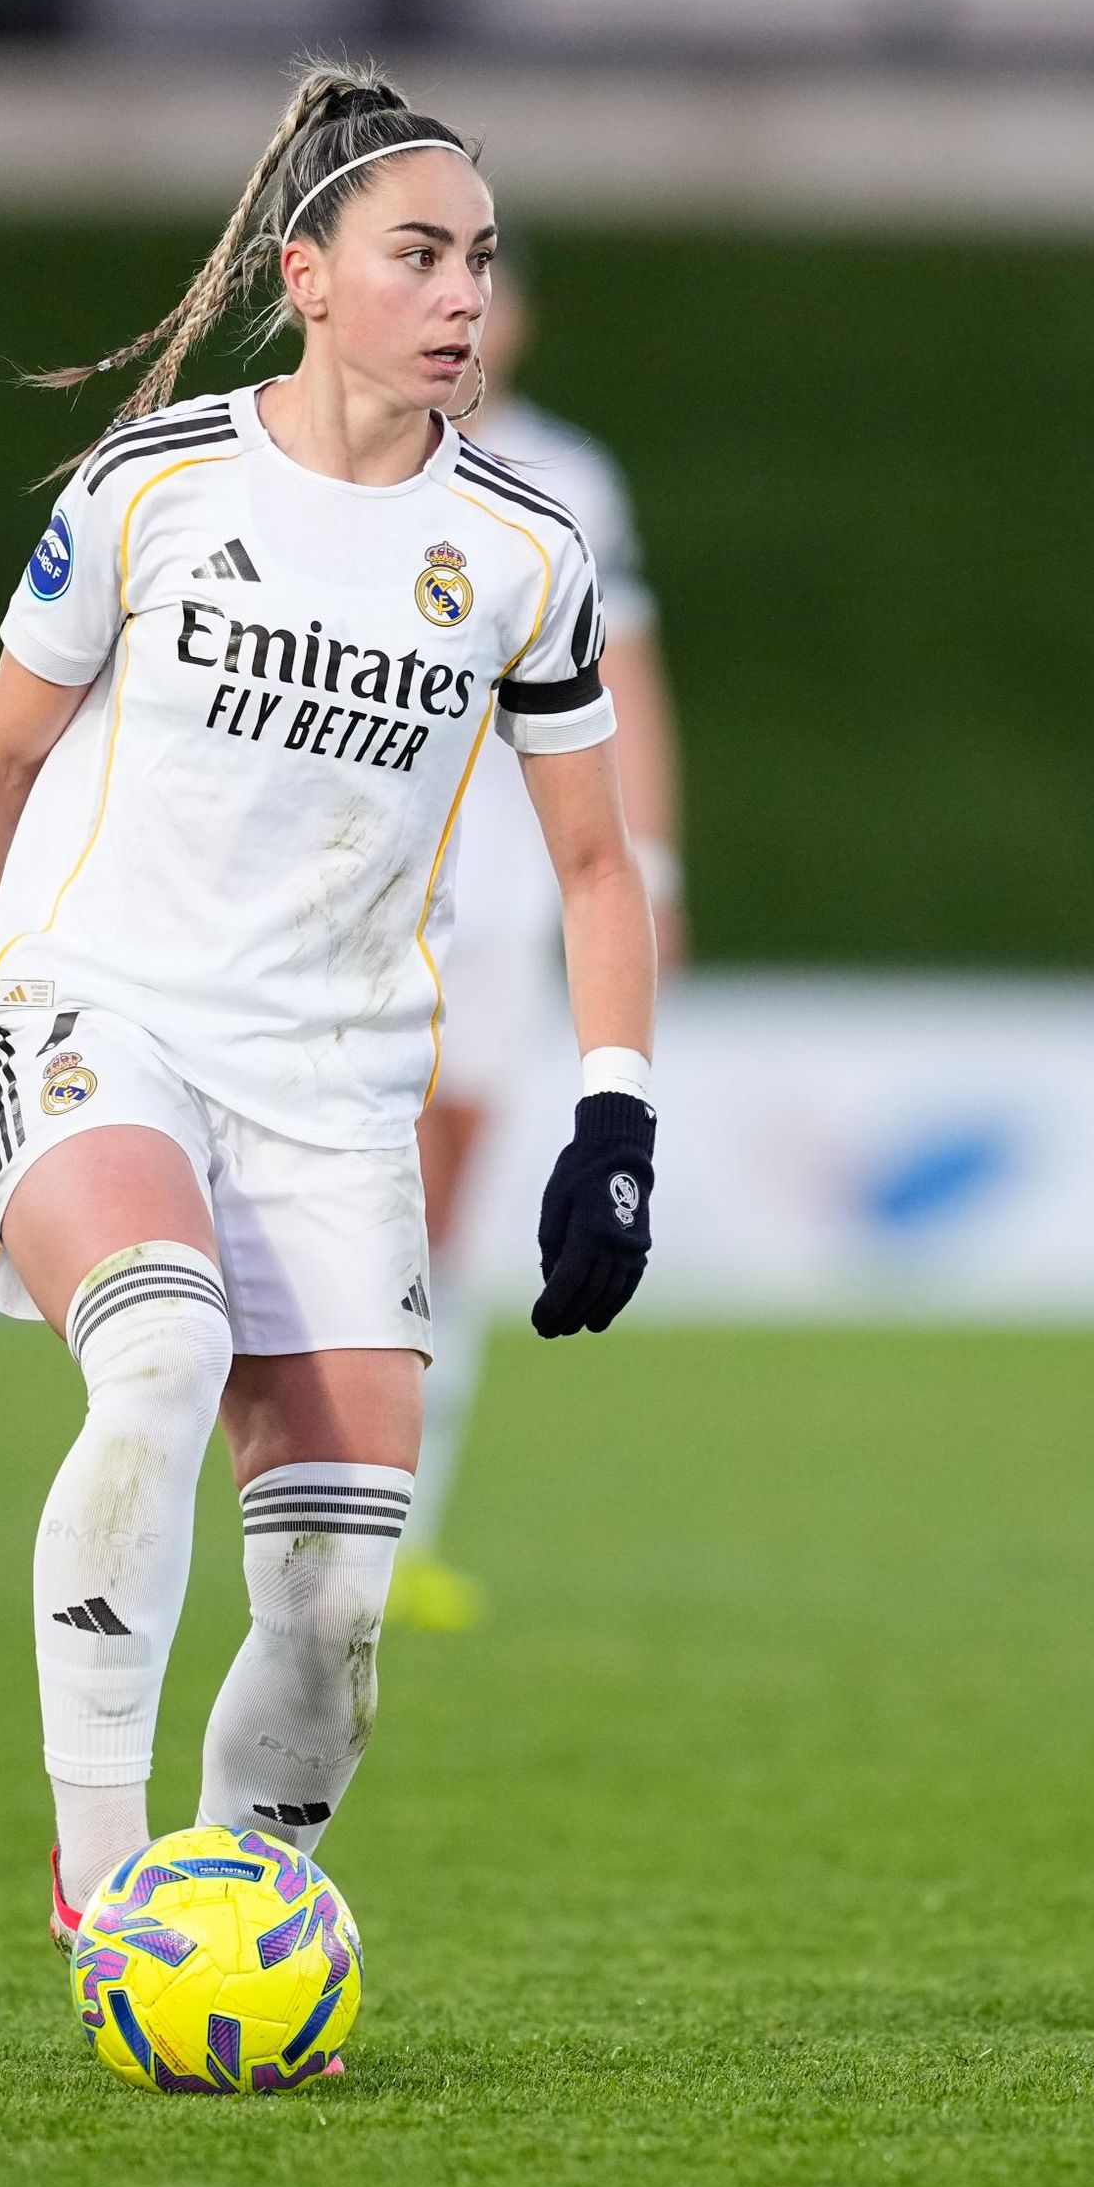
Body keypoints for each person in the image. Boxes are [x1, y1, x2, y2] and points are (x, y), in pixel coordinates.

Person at [0, 60, 658, 1956]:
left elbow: (601, 867)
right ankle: (105, 1881)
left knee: (332, 1602)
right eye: (419, 255)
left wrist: (613, 1116)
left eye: (480, 257)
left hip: (335, 1077)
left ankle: (233, 1926)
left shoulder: (527, 553)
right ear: (306, 273)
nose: (464, 293)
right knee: (158, 1355)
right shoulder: (154, 485)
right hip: (98, 1002)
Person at [391, 255, 686, 1631]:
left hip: (503, 891)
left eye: (487, 277)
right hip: (360, 887)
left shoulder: (566, 477)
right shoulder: (327, 460)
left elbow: (627, 676)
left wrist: (651, 868)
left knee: (442, 1208)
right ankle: (324, 1489)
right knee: (356, 1190)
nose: (468, 307)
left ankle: (390, 1521)